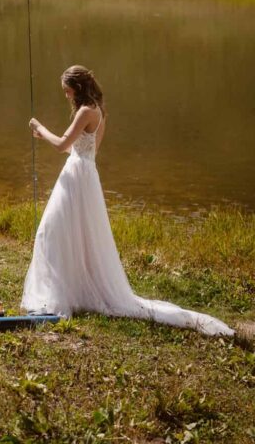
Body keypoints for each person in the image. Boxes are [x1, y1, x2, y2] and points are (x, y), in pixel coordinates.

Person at [21, 64, 233, 336]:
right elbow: (86, 150)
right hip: (85, 175)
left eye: (67, 91)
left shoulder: (86, 111)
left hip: (76, 177)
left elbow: (63, 145)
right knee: (74, 235)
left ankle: (57, 295)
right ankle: (71, 290)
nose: (66, 96)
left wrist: (39, 127)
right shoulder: (98, 110)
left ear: (78, 87)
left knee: (50, 231)